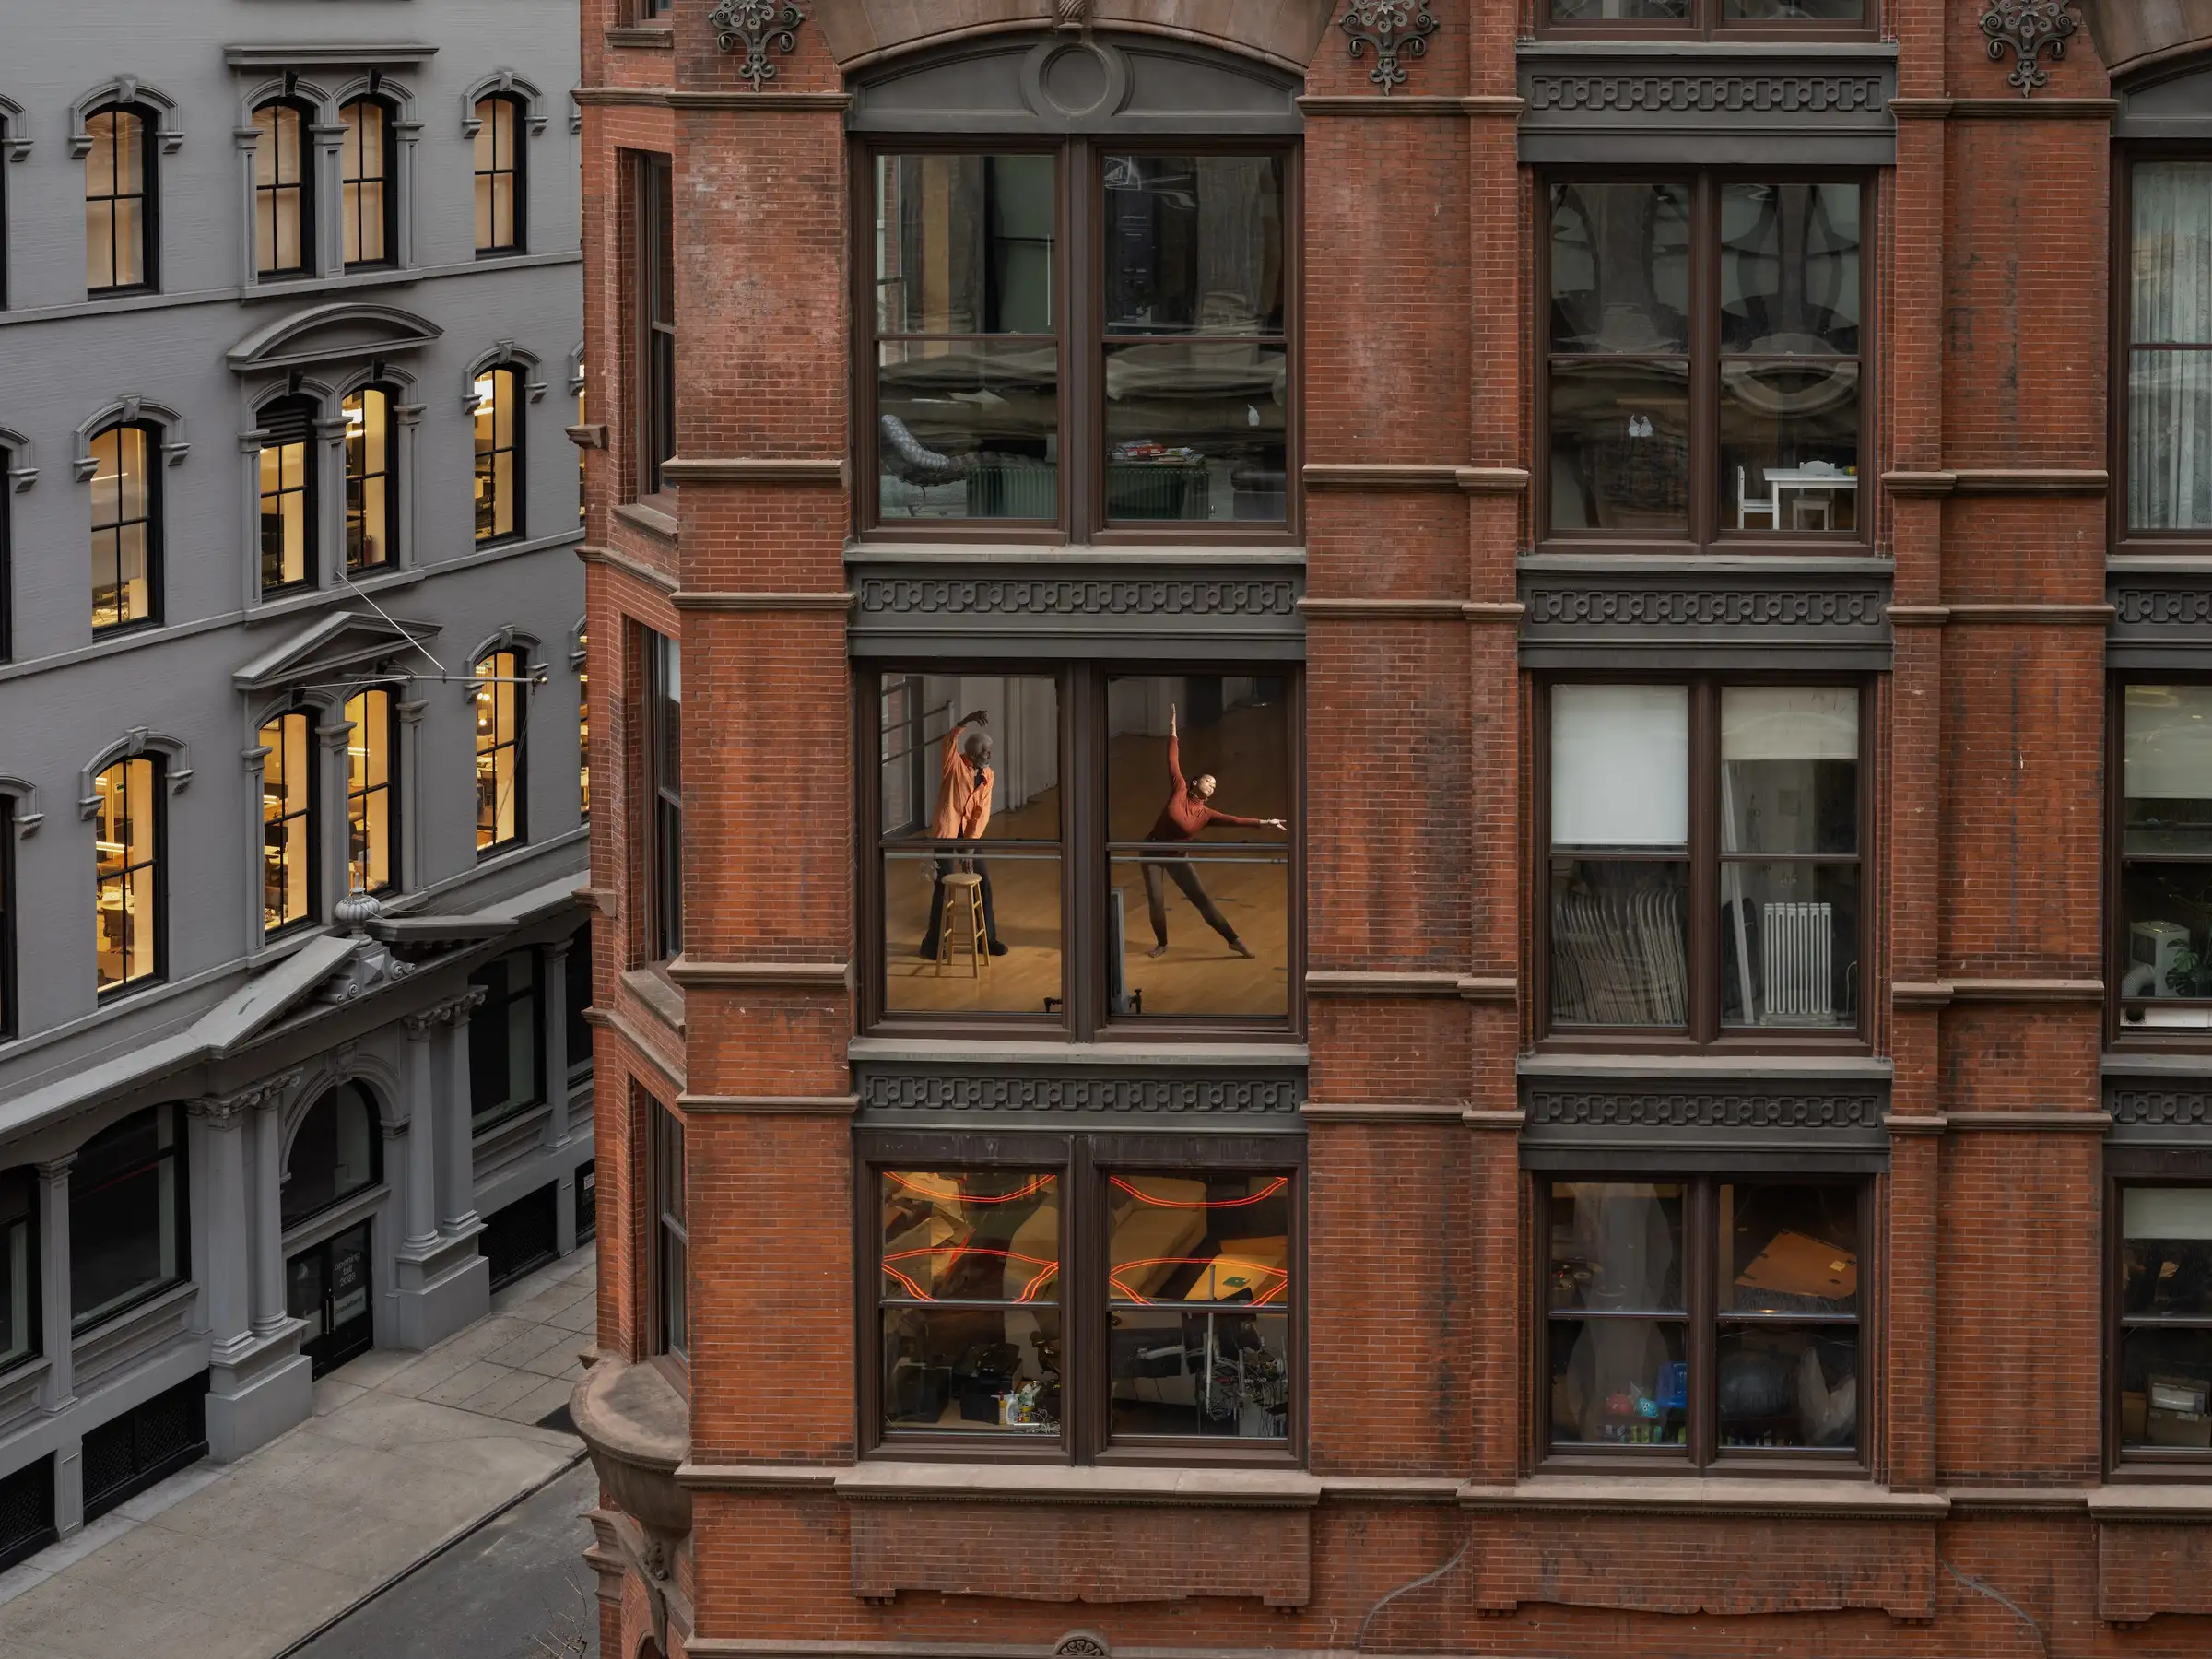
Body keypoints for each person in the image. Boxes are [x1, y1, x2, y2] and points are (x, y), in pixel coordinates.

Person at [1141, 703, 1286, 959]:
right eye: (1209, 780)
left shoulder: (1207, 815)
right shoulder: (1181, 789)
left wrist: (1264, 822)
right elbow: (1172, 760)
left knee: (1202, 900)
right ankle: (1162, 943)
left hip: (1176, 857)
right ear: (1196, 782)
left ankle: (1233, 940)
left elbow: (1235, 821)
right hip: (1151, 849)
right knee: (1156, 899)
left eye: (1215, 785)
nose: (1212, 786)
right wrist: (1173, 729)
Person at [917, 708, 1009, 959]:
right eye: (984, 752)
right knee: (943, 885)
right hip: (946, 832)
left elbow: (981, 812)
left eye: (989, 751)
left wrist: (970, 846)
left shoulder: (988, 776)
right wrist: (965, 721)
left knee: (983, 883)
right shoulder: (954, 764)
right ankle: (934, 944)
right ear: (971, 753)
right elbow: (949, 741)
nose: (989, 755)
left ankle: (987, 940)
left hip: (970, 834)